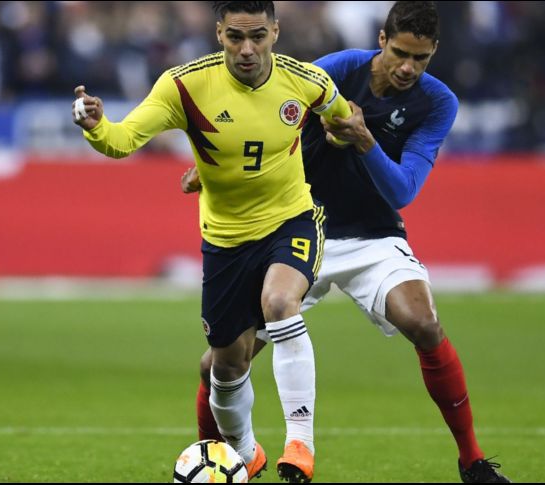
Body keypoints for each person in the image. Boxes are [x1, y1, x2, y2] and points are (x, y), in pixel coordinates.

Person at [184, 2, 510, 483]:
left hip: (373, 235)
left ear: (434, 52)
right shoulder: (335, 71)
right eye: (400, 53)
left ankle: (473, 460)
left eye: (419, 59)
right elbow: (266, 124)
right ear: (382, 39)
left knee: (423, 322)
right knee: (219, 360)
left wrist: (364, 140)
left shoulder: (438, 103)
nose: (407, 68)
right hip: (297, 229)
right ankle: (217, 461)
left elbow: (403, 190)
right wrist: (217, 170)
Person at [72, 1, 352, 481]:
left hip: (292, 219)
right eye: (235, 37)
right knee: (225, 364)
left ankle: (300, 444)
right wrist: (98, 125)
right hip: (224, 240)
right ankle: (246, 451)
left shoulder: (307, 81)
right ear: (218, 32)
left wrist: (340, 143)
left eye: (258, 37)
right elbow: (122, 141)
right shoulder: (184, 86)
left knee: (281, 303)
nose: (247, 50)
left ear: (276, 32)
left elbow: (342, 124)